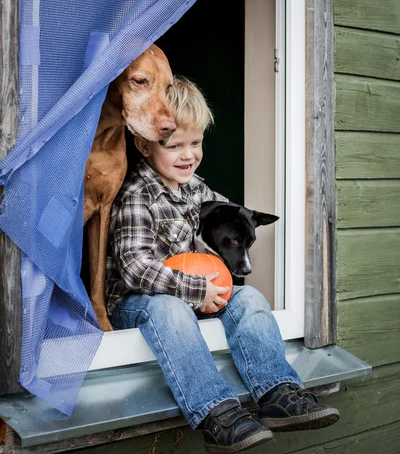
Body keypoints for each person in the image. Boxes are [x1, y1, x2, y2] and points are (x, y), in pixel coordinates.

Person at [106, 76, 339, 453]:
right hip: (139, 304)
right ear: (144, 146)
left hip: (189, 301)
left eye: (195, 143)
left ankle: (277, 391)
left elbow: (231, 216)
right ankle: (217, 414)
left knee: (249, 299)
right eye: (174, 145)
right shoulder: (137, 195)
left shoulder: (198, 190)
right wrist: (198, 289)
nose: (188, 155)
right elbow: (135, 267)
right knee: (168, 309)